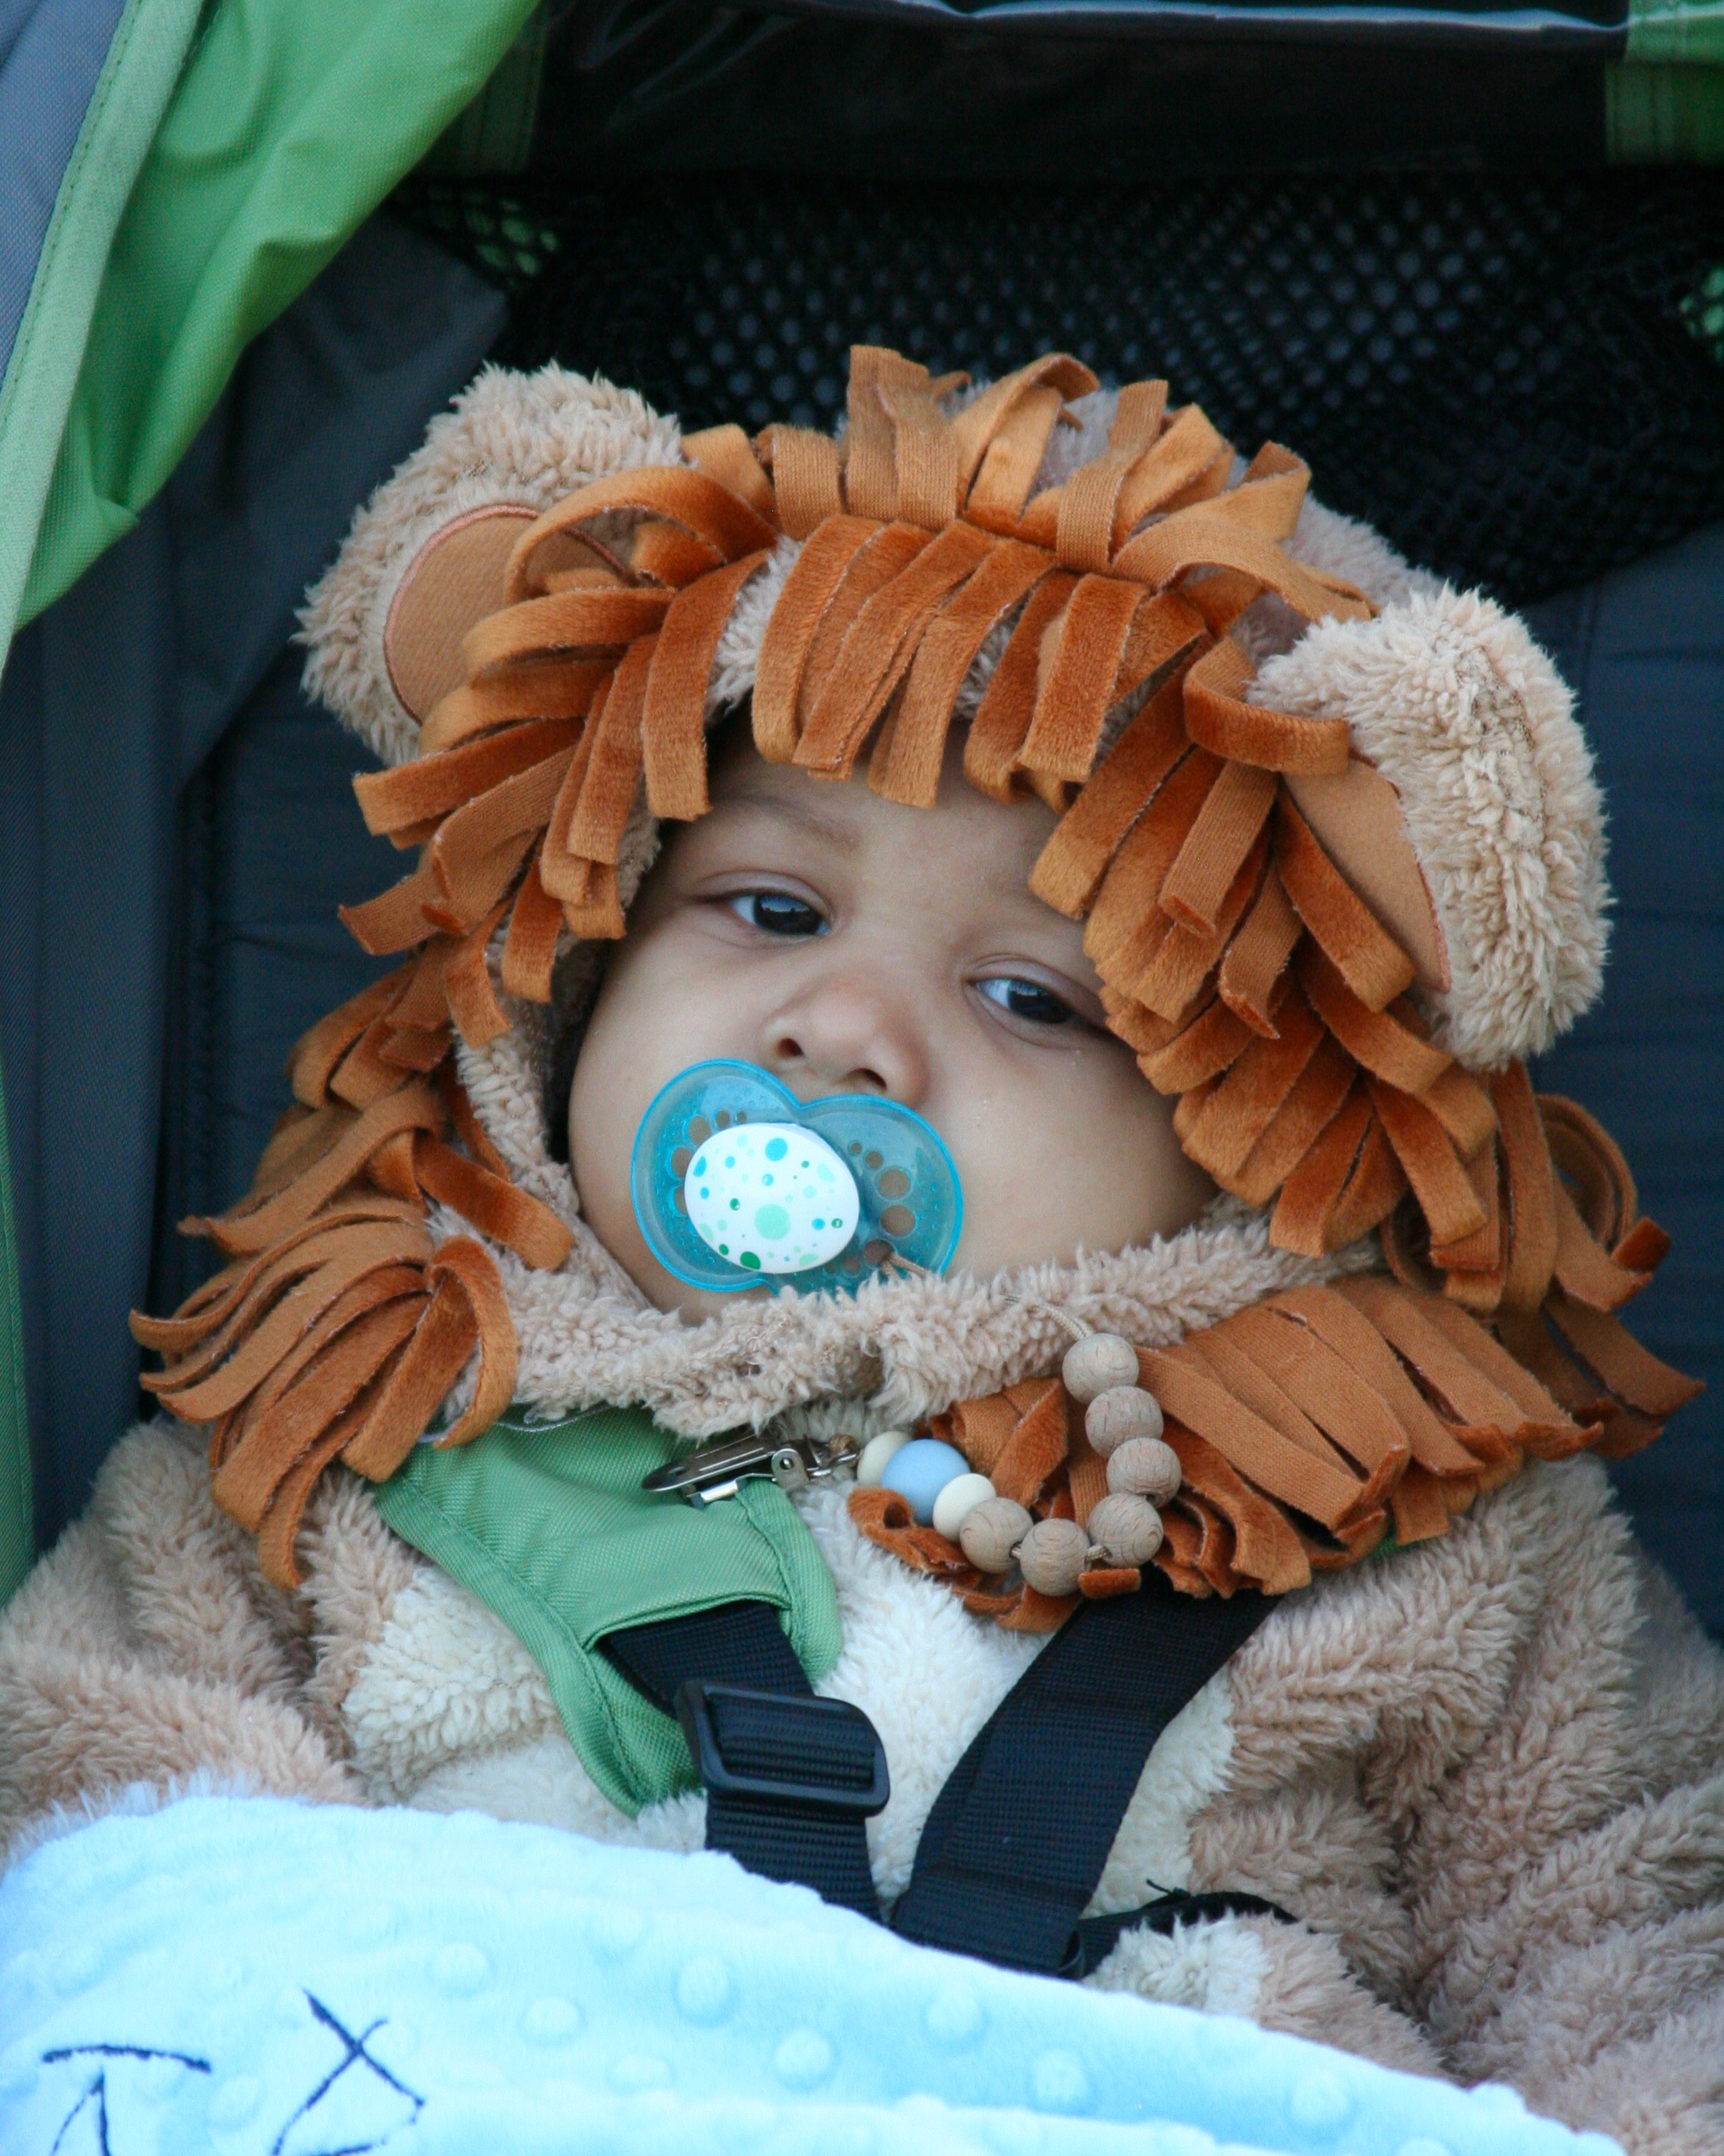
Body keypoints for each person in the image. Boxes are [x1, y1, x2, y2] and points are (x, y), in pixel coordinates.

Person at [3, 348, 1720, 2151]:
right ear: (581, 958)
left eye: (1023, 995)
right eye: (766, 907)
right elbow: (122, 1848)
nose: (841, 1033)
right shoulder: (342, 1436)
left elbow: (1639, 1936)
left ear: (1243, 1137)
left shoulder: (1400, 1527)